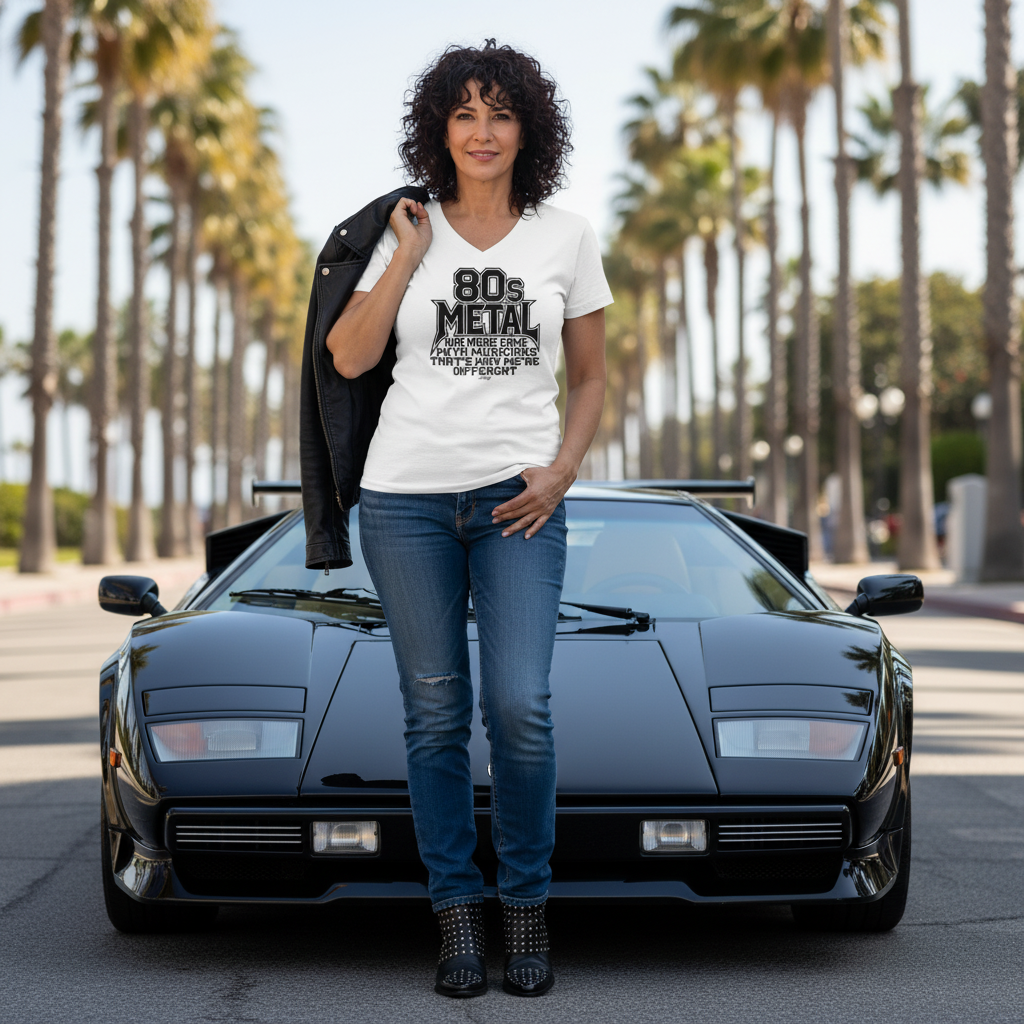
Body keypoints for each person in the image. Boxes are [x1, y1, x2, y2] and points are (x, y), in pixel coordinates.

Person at [325, 40, 611, 999]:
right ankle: (456, 916)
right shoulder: (401, 229)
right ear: (439, 129)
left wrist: (563, 471)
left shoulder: (565, 237)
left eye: (500, 113)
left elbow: (594, 376)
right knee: (436, 713)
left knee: (521, 709)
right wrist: (408, 257)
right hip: (403, 499)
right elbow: (352, 356)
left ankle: (524, 906)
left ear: (528, 129)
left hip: (517, 505)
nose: (482, 131)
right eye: (464, 114)